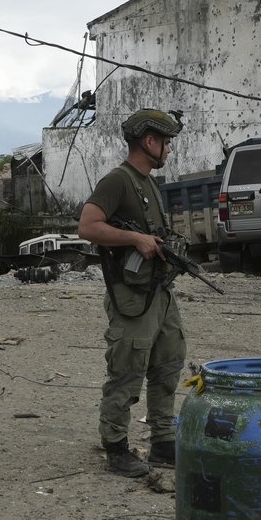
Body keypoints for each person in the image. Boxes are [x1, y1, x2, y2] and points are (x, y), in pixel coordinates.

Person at [77, 108, 187, 477]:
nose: (169, 149)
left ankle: (163, 442)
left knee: (168, 364)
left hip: (158, 292)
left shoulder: (149, 182)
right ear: (149, 141)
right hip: (131, 297)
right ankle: (117, 447)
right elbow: (88, 226)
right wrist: (135, 238)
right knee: (127, 370)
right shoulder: (118, 181)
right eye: (166, 141)